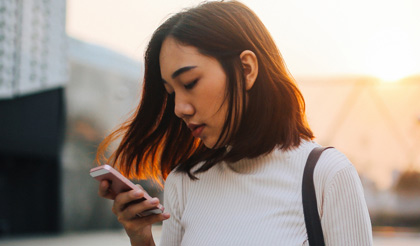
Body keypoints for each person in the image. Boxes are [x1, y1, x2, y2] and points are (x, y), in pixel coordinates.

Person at [96, 1, 373, 245]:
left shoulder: (327, 176)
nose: (179, 108)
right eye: (171, 93)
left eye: (190, 83)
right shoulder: (184, 183)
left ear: (246, 69)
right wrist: (141, 239)